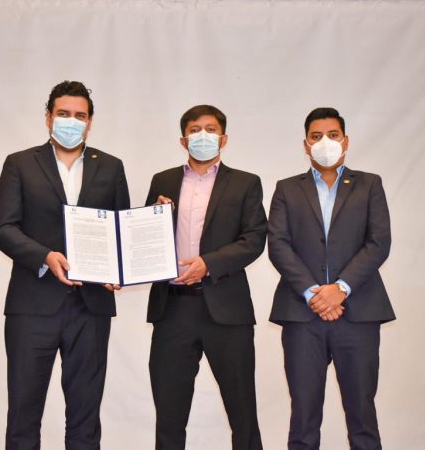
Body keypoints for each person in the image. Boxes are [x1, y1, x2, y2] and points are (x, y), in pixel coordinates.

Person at [0, 80, 130, 450]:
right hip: (32, 305)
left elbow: (121, 230)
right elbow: (4, 229)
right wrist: (45, 256)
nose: (72, 121)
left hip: (91, 307)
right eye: (64, 114)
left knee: (85, 418)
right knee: (23, 416)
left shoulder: (111, 167)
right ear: (48, 117)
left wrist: (121, 267)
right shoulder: (20, 163)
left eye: (80, 116)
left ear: (90, 122)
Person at [267, 108, 395, 450]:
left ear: (346, 141)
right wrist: (314, 293)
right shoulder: (287, 189)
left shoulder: (369, 184)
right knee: (303, 416)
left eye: (333, 135)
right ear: (306, 145)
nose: (325, 142)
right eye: (316, 136)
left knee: (362, 414)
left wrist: (340, 289)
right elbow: (278, 245)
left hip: (358, 313)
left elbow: (378, 243)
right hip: (302, 315)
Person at [146, 105, 267, 450]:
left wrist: (208, 264)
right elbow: (144, 238)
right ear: (183, 140)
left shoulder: (245, 183)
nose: (203, 136)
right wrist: (153, 218)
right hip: (172, 310)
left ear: (223, 138)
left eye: (211, 129)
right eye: (195, 130)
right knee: (169, 414)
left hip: (226, 311)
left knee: (242, 411)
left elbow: (254, 239)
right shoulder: (163, 181)